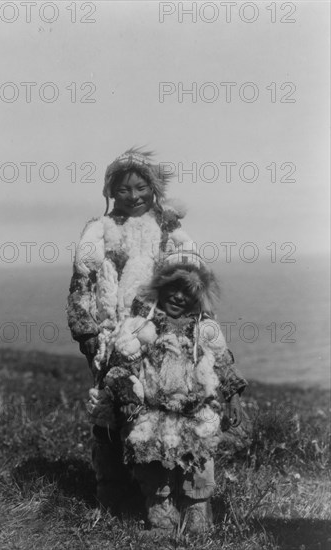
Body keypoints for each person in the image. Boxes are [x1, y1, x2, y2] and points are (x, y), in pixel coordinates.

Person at [66, 148, 194, 513]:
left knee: (156, 411)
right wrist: (88, 335)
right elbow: (82, 286)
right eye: (124, 189)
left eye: (141, 188)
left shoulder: (169, 230)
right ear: (110, 191)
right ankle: (114, 494)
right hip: (108, 337)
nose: (134, 196)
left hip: (156, 335)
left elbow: (187, 280)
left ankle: (160, 493)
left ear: (153, 189)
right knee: (109, 410)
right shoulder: (98, 231)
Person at [101, 251, 248, 533]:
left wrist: (233, 397)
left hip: (195, 412)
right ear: (160, 287)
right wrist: (127, 396)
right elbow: (120, 364)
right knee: (155, 469)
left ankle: (197, 517)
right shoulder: (142, 326)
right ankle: (162, 520)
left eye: (188, 292)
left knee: (199, 465)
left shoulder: (205, 329)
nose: (179, 297)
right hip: (153, 414)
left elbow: (223, 363)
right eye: (174, 288)